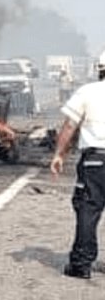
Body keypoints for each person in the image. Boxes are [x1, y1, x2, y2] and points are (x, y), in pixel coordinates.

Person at [50, 51, 105, 279]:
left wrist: (58, 155)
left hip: (95, 161)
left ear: (99, 68)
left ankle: (81, 264)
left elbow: (70, 126)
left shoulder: (88, 92)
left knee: (88, 210)